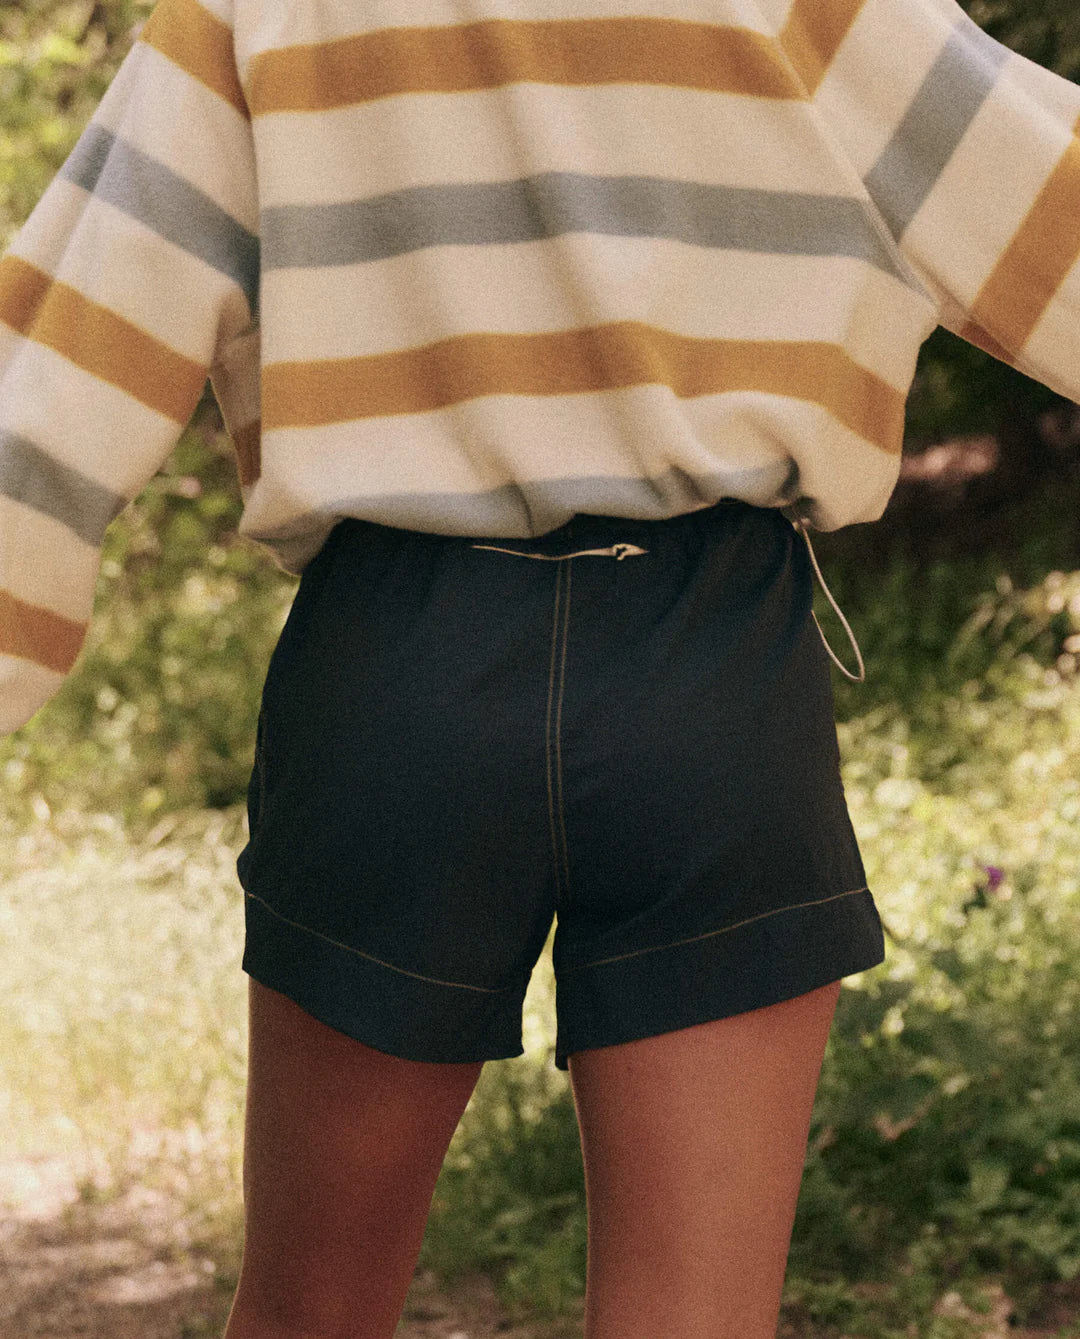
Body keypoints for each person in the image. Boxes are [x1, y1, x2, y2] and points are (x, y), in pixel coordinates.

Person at [1, 0, 1078, 1334]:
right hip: (713, 678)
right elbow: (1051, 216)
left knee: (308, 1315)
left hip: (396, 675)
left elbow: (52, 377)